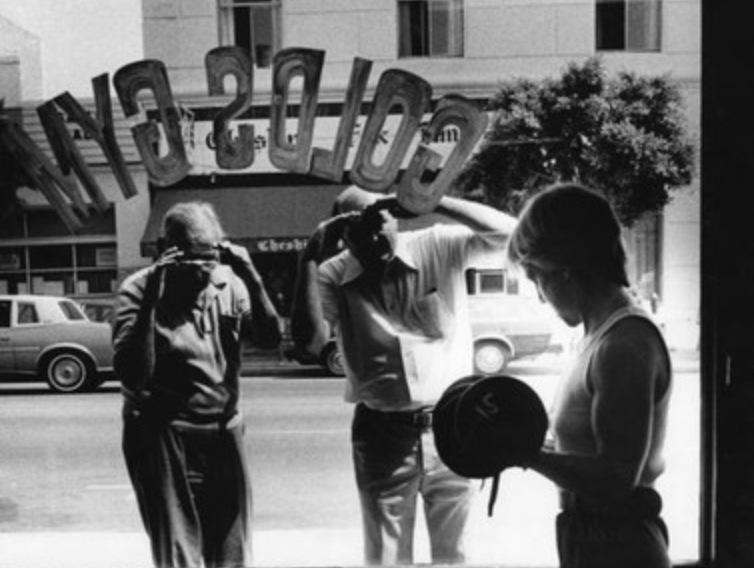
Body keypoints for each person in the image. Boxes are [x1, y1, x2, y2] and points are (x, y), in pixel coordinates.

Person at [316, 193, 517, 565]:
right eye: (358, 232)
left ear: (396, 217)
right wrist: (309, 257)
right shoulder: (333, 274)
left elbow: (510, 234)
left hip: (454, 424)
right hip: (382, 432)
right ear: (344, 236)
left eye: (378, 226)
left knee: (457, 552)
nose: (373, 240)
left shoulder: (436, 245)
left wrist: (432, 201)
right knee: (386, 554)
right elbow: (310, 339)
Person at [506, 183, 673, 568]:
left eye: (536, 278)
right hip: (590, 537)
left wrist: (525, 453)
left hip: (621, 547)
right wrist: (524, 437)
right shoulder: (595, 338)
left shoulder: (624, 343)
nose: (540, 296)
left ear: (563, 267)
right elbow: (581, 450)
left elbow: (615, 478)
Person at [112, 201, 282, 568]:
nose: (204, 269)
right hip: (162, 431)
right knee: (178, 553)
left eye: (211, 257)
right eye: (193, 259)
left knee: (232, 551)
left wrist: (251, 276)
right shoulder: (137, 290)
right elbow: (133, 374)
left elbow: (270, 339)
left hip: (222, 429)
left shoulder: (230, 282)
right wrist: (151, 303)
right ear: (166, 251)